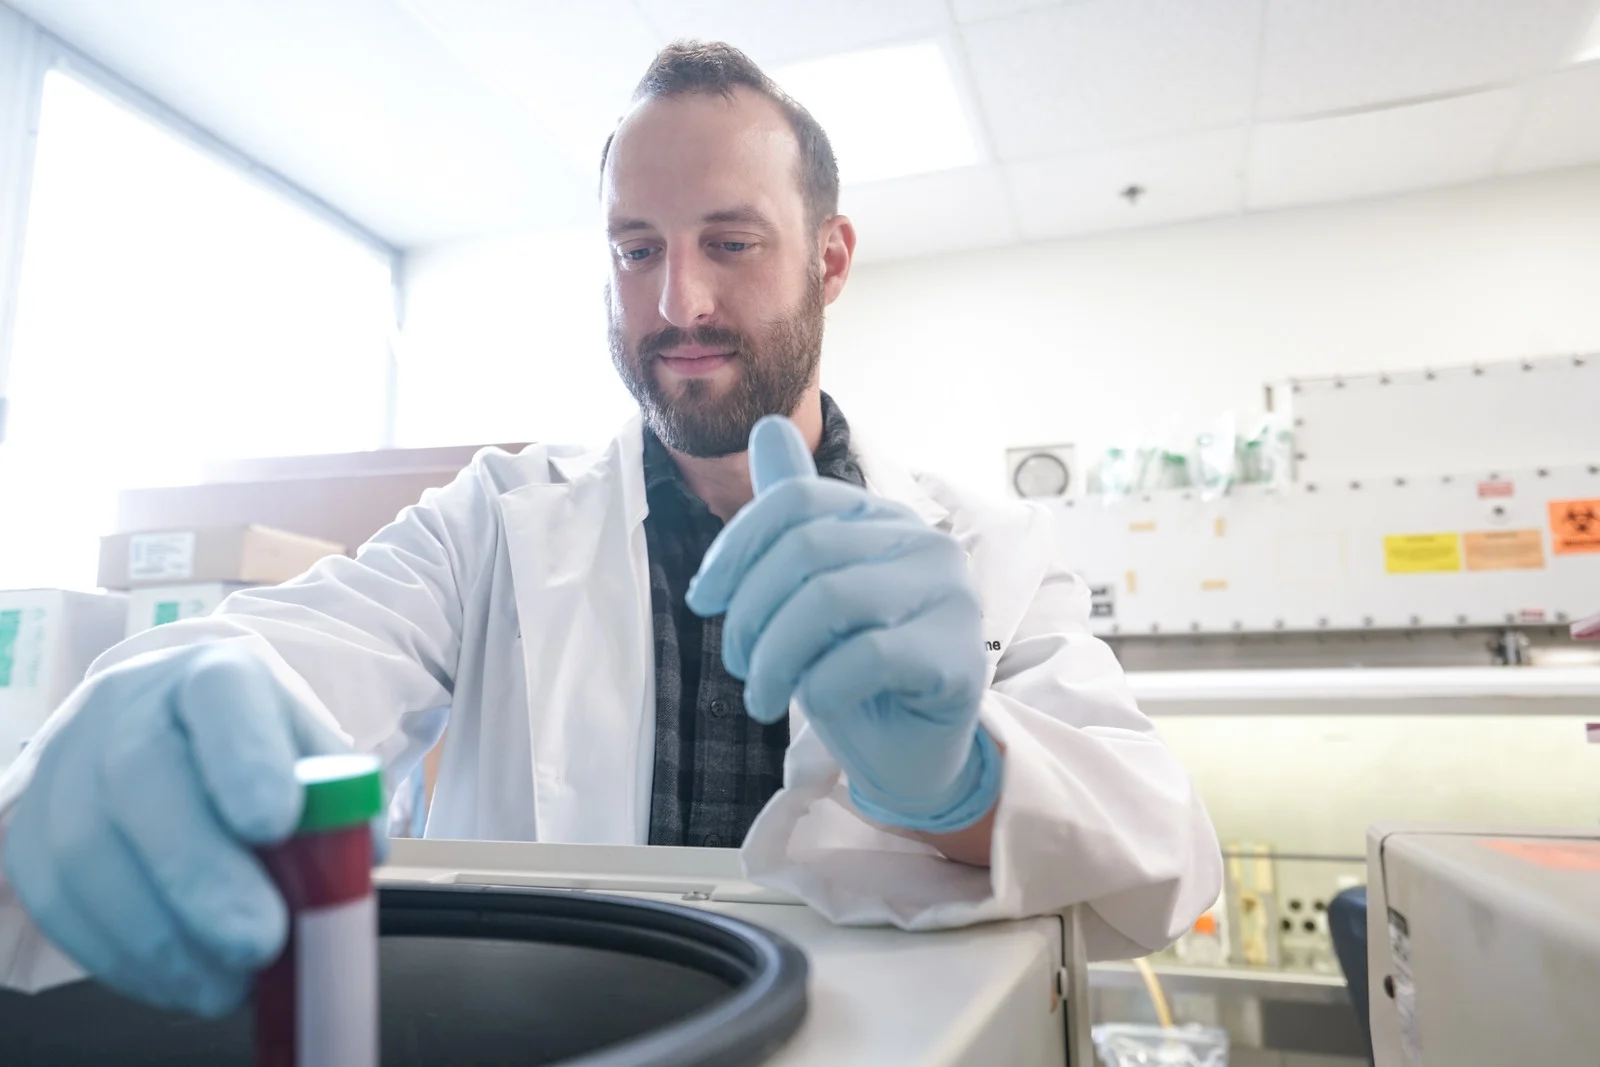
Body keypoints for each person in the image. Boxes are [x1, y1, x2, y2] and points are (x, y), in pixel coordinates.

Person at [0, 41, 1221, 1017]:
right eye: (635, 249)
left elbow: (1163, 859)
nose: (674, 301)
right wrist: (178, 696)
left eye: (729, 244)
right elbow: (300, 651)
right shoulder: (495, 521)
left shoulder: (986, 546)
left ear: (830, 258)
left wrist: (958, 780)